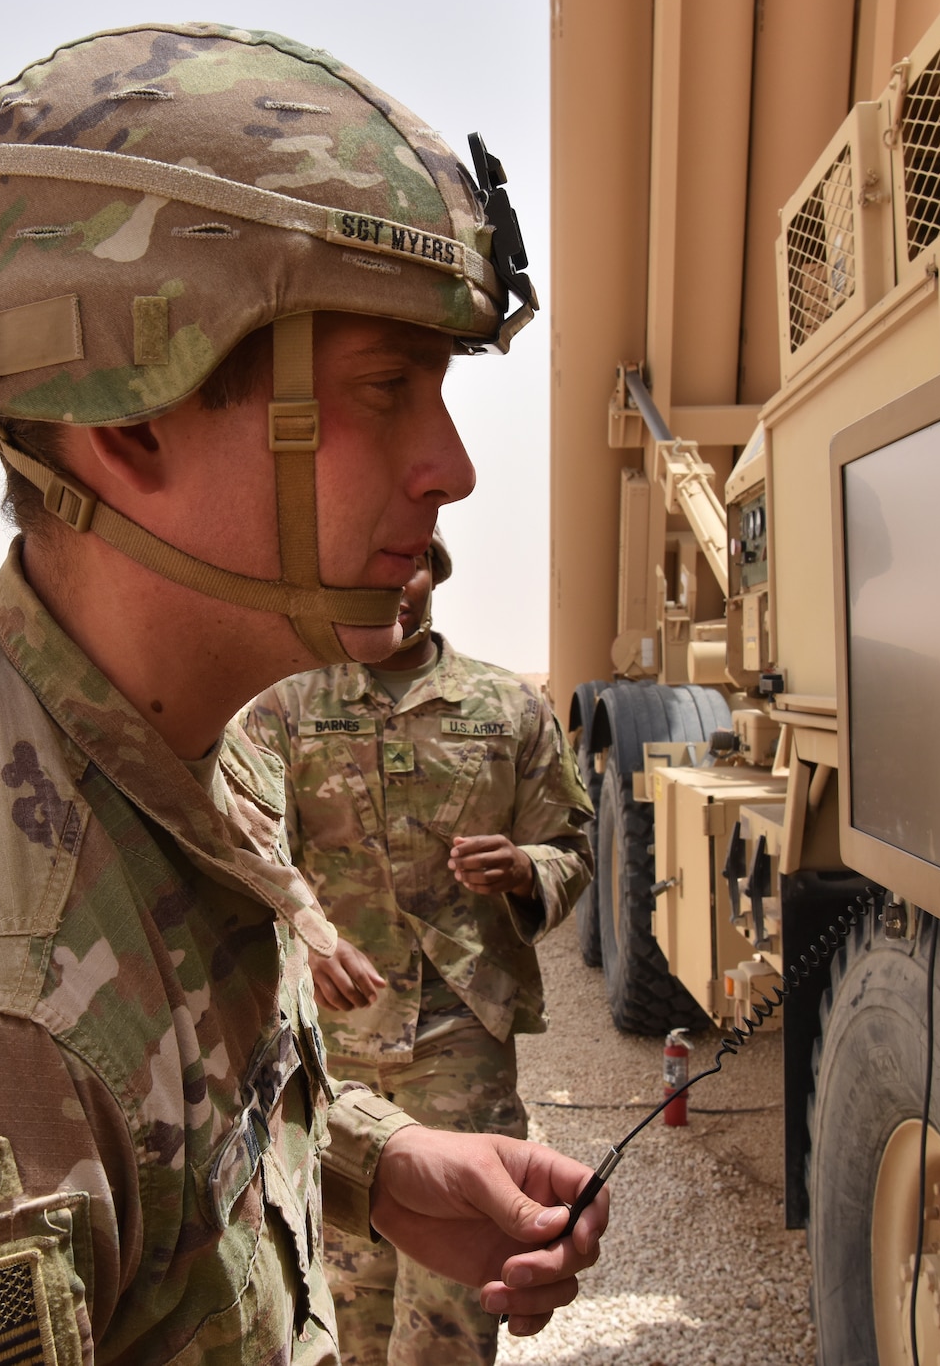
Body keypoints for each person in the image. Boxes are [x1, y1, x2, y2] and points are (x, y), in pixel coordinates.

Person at [0, 24, 603, 1366]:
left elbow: (159, 1072)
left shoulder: (130, 719)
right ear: (130, 416)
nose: (452, 468)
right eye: (385, 388)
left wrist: (379, 1162)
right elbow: (65, 1080)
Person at [244, 531, 594, 1365]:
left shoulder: (508, 707)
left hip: (460, 1034)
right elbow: (246, 842)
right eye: (369, 570)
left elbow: (572, 845)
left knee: (455, 1301)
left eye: (410, 565)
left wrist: (523, 868)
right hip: (335, 1049)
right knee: (341, 1290)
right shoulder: (287, 703)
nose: (394, 586)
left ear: (433, 571)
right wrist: (307, 934)